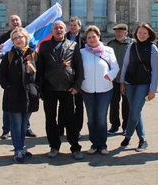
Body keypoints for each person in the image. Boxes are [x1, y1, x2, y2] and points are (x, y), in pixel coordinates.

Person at [36, 20, 84, 160]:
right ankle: (54, 146)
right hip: (49, 89)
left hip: (67, 89)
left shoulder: (73, 45)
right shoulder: (44, 46)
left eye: (61, 28)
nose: (59, 30)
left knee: (70, 119)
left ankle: (75, 147)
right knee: (50, 120)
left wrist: (76, 86)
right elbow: (40, 68)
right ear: (52, 30)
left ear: (65, 30)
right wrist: (39, 88)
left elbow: (79, 67)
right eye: (56, 28)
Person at [0, 27, 39, 162]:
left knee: (23, 125)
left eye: (20, 37)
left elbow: (38, 75)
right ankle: (18, 150)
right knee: (16, 124)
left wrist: (35, 87)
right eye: (15, 38)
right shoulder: (9, 55)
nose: (18, 40)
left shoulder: (33, 55)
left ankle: (21, 147)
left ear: (26, 38)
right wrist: (9, 88)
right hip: (13, 96)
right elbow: (1, 75)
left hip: (28, 95)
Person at [0, 14, 36, 140]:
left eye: (17, 20)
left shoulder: (28, 35)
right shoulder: (5, 37)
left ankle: (27, 127)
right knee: (10, 108)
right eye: (12, 20)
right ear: (9, 23)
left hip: (27, 82)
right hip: (12, 82)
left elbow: (33, 52)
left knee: (27, 106)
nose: (15, 22)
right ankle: (6, 130)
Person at [119, 23, 158, 152]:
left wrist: (153, 89)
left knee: (134, 111)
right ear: (136, 33)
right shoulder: (131, 46)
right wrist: (122, 82)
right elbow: (125, 65)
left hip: (143, 84)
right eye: (139, 33)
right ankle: (142, 139)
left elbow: (155, 70)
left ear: (149, 35)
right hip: (130, 83)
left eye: (144, 33)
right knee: (136, 112)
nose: (141, 35)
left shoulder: (152, 48)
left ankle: (128, 136)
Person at [79, 25, 119, 155]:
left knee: (101, 118)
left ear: (99, 37)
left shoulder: (108, 50)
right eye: (89, 37)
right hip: (87, 89)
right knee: (91, 118)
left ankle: (102, 145)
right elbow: (78, 70)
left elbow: (115, 67)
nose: (91, 39)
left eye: (93, 37)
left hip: (105, 89)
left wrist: (110, 76)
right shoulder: (82, 52)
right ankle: (94, 144)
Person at [59, 16, 86, 138]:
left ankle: (77, 129)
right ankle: (61, 128)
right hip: (66, 75)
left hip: (79, 74)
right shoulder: (64, 37)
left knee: (79, 105)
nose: (73, 27)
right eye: (71, 25)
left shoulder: (84, 38)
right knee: (64, 103)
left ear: (79, 26)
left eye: (75, 25)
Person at [106, 23, 133, 136]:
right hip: (114, 80)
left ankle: (126, 126)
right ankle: (114, 125)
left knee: (126, 104)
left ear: (125, 33)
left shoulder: (132, 44)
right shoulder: (111, 44)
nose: (117, 33)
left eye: (120, 32)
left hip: (127, 80)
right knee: (113, 103)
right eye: (116, 32)